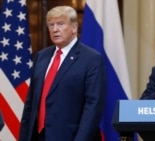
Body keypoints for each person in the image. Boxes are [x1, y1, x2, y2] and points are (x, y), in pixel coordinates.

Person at [18, 6, 106, 141]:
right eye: (51, 25)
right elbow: (31, 103)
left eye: (60, 24)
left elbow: (93, 107)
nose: (55, 29)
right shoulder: (41, 57)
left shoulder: (91, 59)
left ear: (74, 28)